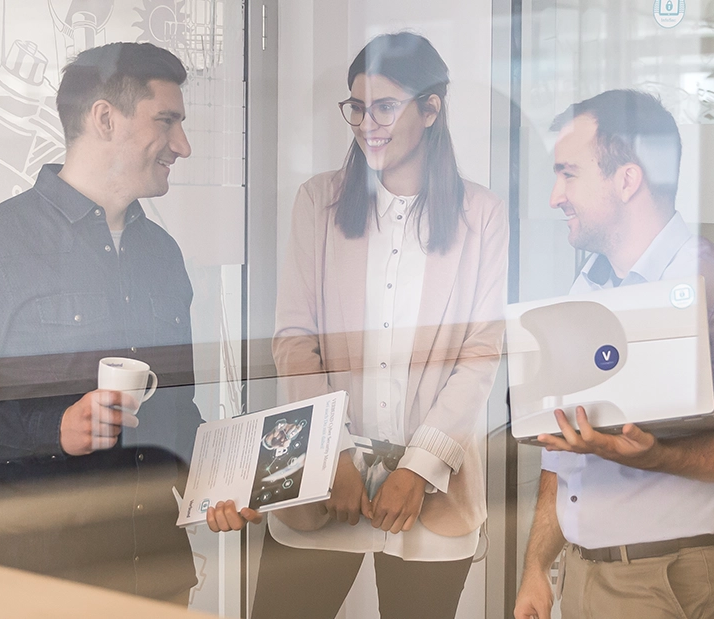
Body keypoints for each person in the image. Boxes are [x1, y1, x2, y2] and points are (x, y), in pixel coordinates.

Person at [204, 32, 508, 619]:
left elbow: (480, 354)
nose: (368, 123)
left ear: (431, 108)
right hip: (321, 484)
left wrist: (418, 468)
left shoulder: (481, 214)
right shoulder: (318, 201)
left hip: (431, 491)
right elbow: (295, 341)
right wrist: (331, 455)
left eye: (386, 106)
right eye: (358, 107)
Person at [0, 42, 201, 603]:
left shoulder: (163, 254)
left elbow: (178, 411)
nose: (182, 145)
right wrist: (53, 428)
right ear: (105, 119)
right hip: (43, 585)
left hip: (159, 575)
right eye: (167, 121)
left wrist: (218, 486)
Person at [512, 90, 714, 619]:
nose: (555, 196)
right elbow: (562, 446)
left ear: (627, 179)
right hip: (581, 574)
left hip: (671, 580)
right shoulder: (586, 288)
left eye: (568, 174)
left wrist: (660, 457)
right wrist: (538, 564)